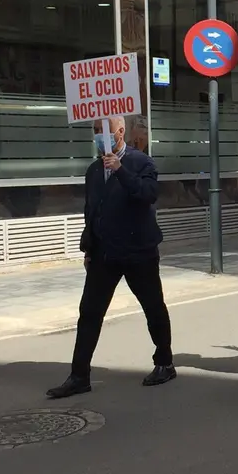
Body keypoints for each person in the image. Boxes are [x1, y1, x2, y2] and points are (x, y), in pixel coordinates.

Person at [46, 116, 174, 398]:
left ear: (120, 131)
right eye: (95, 132)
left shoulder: (141, 162)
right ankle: (79, 375)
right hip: (104, 253)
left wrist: (120, 171)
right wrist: (88, 248)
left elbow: (149, 194)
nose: (99, 137)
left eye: (104, 131)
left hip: (138, 251)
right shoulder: (93, 171)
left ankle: (164, 361)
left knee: (153, 307)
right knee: (89, 313)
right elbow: (92, 211)